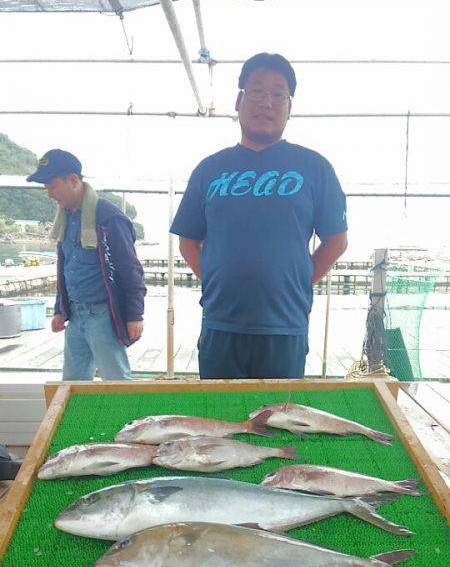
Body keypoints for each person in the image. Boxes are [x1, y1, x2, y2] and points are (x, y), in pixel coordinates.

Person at [171, 52, 348, 379]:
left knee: (280, 411)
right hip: (220, 326)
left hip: (284, 328)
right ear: (239, 101)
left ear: (289, 108)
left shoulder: (315, 167)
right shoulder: (209, 169)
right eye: (256, 91)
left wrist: (298, 282)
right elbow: (188, 241)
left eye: (278, 94)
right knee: (218, 411)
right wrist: (215, 280)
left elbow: (336, 241)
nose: (267, 102)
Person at [27, 149, 146, 380]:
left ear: (73, 180)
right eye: (46, 187)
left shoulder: (109, 219)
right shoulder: (65, 218)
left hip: (103, 315)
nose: (49, 193)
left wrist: (135, 315)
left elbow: (130, 270)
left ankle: (126, 408)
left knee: (117, 383)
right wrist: (60, 309)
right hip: (75, 315)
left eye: (52, 186)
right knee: (73, 383)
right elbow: (66, 269)